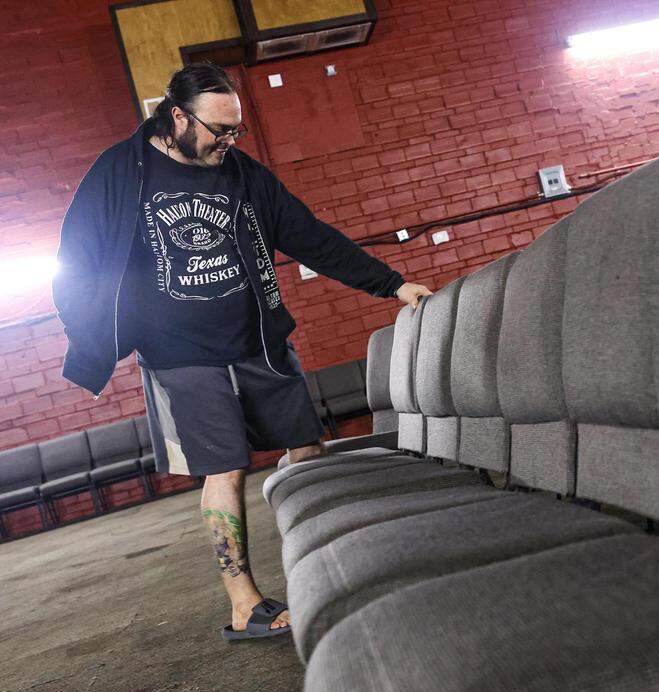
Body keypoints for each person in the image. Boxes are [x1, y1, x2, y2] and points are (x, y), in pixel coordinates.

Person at [52, 62, 432, 641]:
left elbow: (309, 235)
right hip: (178, 353)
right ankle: (243, 603)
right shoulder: (119, 173)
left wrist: (392, 284)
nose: (228, 142)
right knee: (224, 467)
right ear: (177, 115)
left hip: (258, 342)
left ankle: (328, 560)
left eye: (236, 131)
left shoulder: (242, 174)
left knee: (308, 446)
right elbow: (75, 261)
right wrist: (94, 338)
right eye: (218, 130)